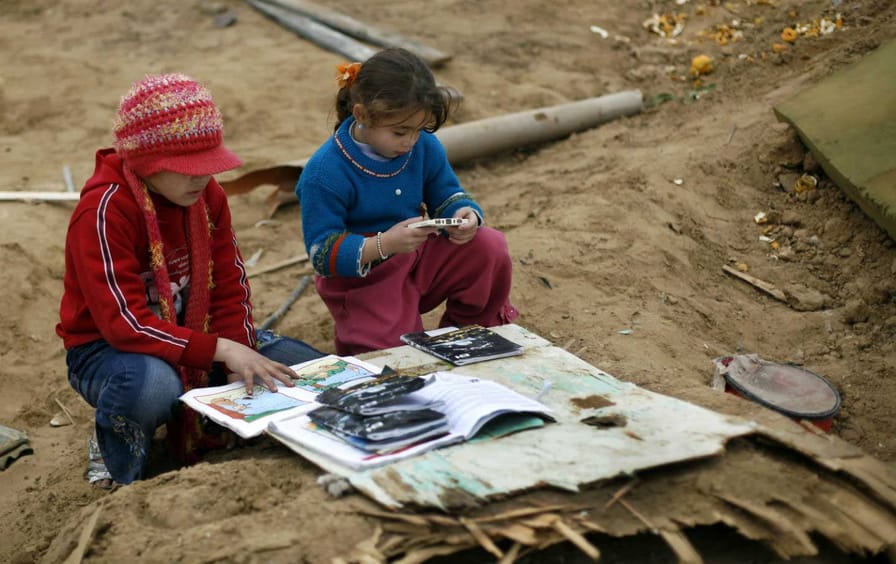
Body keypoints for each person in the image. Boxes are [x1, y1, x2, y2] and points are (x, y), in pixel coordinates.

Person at [56, 73, 323, 489]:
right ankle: (114, 448)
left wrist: (236, 356)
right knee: (152, 387)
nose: (201, 177)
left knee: (302, 368)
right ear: (145, 161)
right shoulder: (104, 211)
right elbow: (124, 324)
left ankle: (219, 420)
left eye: (208, 165)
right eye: (188, 169)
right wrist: (223, 350)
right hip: (110, 350)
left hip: (197, 334)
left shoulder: (206, 197)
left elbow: (229, 287)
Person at [297, 48, 519, 355]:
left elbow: (445, 192)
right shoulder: (324, 172)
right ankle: (373, 335)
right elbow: (322, 253)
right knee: (391, 356)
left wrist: (464, 213)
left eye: (419, 130)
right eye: (400, 132)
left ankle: (471, 332)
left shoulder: (422, 145)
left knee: (487, 245)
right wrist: (385, 244)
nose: (410, 141)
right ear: (361, 115)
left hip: (421, 257)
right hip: (365, 281)